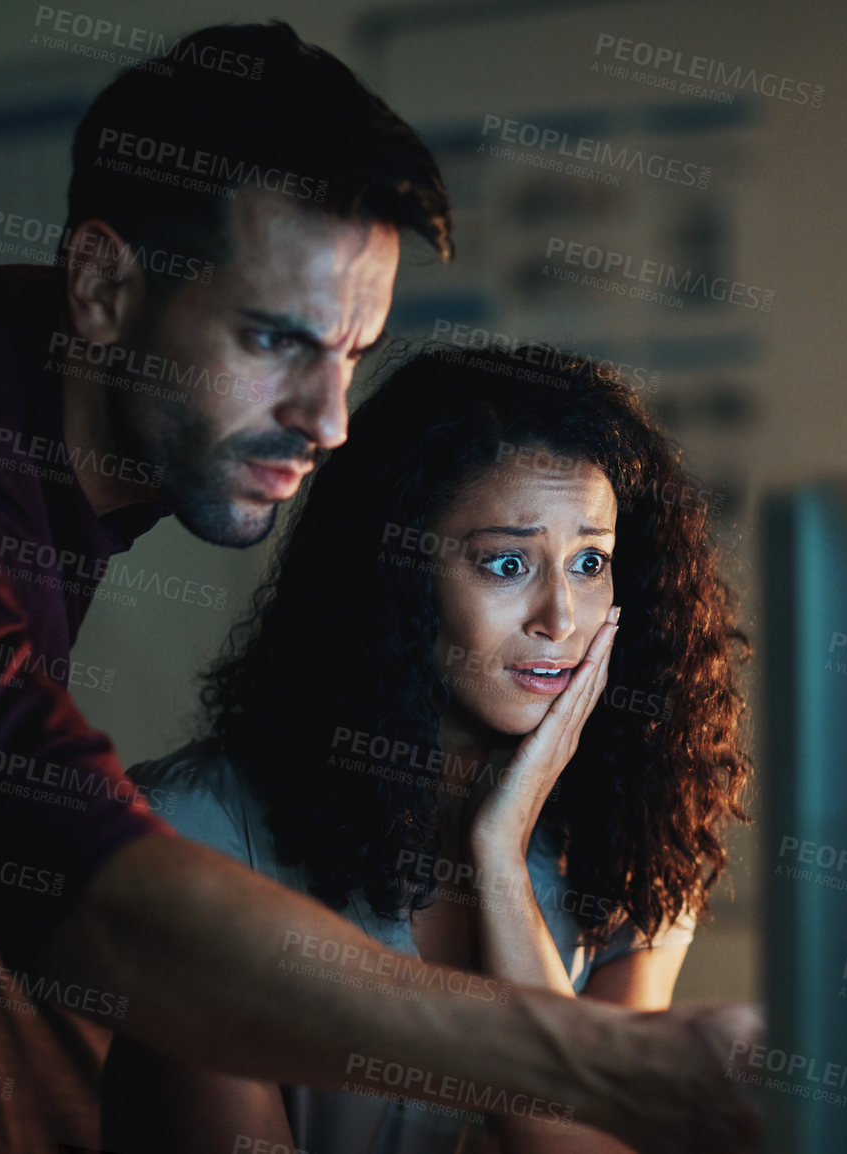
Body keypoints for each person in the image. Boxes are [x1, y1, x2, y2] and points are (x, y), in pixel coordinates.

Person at [0, 20, 760, 1154]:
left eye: (350, 353)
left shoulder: (22, 390)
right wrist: (615, 1061)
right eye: (274, 339)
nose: (328, 423)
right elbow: (105, 911)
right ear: (103, 284)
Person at [102, 343, 753, 1153]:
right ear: (396, 575)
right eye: (506, 563)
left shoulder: (635, 840)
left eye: (591, 563)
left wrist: (498, 858)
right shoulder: (195, 834)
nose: (559, 617)